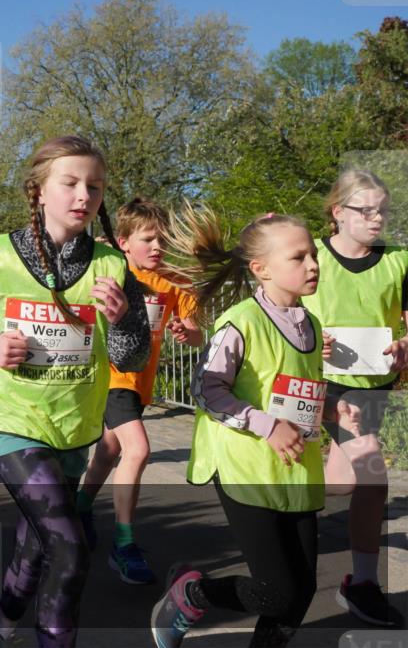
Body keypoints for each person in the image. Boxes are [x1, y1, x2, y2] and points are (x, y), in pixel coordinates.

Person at [0, 135, 151, 648]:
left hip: (73, 425)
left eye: (96, 186)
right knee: (69, 545)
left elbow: (132, 357)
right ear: (38, 190)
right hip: (10, 420)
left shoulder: (114, 267)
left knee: (37, 541)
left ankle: (0, 623)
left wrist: (123, 320)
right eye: (71, 182)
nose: (85, 195)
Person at [151, 208, 330, 648]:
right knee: (275, 592)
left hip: (295, 469)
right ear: (261, 269)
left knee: (301, 590)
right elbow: (206, 389)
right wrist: (267, 426)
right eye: (298, 257)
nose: (312, 265)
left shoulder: (313, 324)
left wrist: (318, 430)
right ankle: (193, 593)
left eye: (313, 255)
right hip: (244, 468)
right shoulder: (241, 322)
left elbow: (295, 391)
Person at [77, 198, 204, 585]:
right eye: (148, 239)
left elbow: (197, 332)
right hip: (112, 377)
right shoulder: (110, 269)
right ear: (124, 242)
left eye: (163, 240)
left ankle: (78, 509)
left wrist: (188, 332)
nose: (157, 247)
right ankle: (124, 544)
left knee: (109, 451)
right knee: (139, 449)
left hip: (140, 381)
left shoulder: (173, 280)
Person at [302, 169, 407, 628]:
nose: (377, 218)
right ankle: (364, 584)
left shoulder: (399, 259)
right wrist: (309, 339)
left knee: (344, 483)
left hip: (376, 387)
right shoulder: (311, 259)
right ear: (337, 212)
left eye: (382, 209)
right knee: (373, 475)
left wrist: (406, 345)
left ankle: (279, 503)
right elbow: (278, 308)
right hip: (320, 385)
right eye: (365, 209)